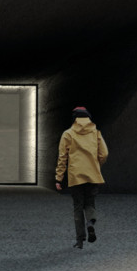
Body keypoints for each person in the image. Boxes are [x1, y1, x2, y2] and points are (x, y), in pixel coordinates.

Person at [55, 106, 109, 248]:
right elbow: (104, 154)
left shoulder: (68, 134)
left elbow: (62, 157)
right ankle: (90, 223)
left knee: (78, 207)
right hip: (92, 175)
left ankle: (80, 240)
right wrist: (96, 165)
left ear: (75, 119)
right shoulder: (96, 133)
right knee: (90, 203)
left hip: (76, 176)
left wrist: (59, 178)